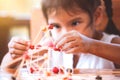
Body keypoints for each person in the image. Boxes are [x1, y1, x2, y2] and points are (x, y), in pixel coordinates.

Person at [1, 0, 120, 74]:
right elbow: (5, 68)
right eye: (56, 26)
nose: (65, 33)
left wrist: (91, 46)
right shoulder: (48, 49)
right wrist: (15, 54)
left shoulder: (111, 42)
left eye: (75, 23)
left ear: (97, 16)